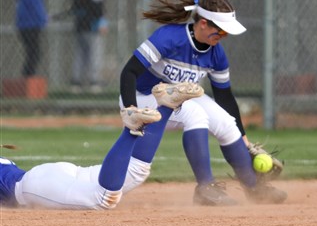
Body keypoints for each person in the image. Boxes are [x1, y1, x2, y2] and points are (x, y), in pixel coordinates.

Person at [119, 0, 287, 206]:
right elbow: (129, 72)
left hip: (181, 95)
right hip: (144, 97)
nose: (223, 37)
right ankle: (205, 188)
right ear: (203, 23)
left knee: (227, 123)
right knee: (195, 114)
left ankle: (254, 187)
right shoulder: (169, 38)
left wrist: (245, 143)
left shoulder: (216, 53)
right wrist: (131, 109)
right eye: (221, 31)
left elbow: (225, 98)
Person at [0, 82, 202, 209]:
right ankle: (167, 104)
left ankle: (131, 128)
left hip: (30, 188)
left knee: (104, 198)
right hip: (50, 175)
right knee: (135, 170)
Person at [70, 0, 108, 93]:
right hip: (92, 24)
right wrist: (101, 21)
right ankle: (94, 82)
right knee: (94, 53)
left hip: (80, 24)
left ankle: (76, 82)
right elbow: (96, 5)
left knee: (81, 54)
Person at [12, 0, 48, 77]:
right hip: (29, 26)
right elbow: (36, 8)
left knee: (34, 53)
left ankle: (28, 78)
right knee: (34, 53)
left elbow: (36, 8)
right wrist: (43, 18)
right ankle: (27, 79)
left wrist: (43, 17)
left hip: (31, 25)